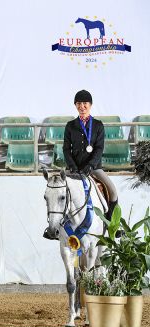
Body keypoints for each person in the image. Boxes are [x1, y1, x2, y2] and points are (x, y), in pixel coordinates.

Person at [53, 89, 119, 234]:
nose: (82, 106)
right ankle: (55, 228)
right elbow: (66, 149)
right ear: (75, 105)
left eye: (85, 103)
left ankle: (112, 226)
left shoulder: (98, 125)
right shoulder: (70, 126)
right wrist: (72, 166)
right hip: (73, 168)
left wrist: (90, 166)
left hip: (94, 168)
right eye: (79, 103)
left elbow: (99, 148)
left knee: (113, 191)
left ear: (90, 105)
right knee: (57, 191)